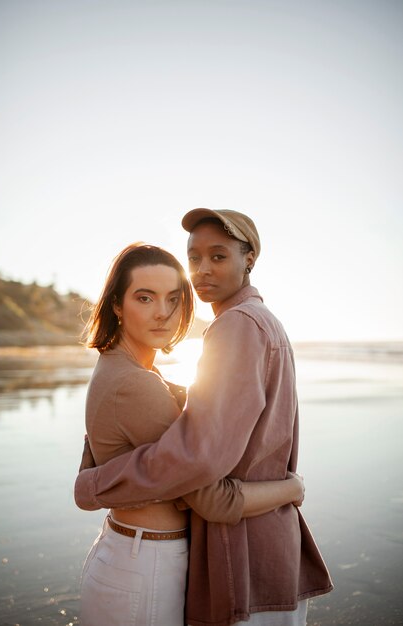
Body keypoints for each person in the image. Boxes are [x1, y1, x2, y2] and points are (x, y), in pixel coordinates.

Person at [75, 212, 333, 626]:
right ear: (117, 306)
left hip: (200, 553)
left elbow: (193, 459)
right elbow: (207, 484)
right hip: (156, 559)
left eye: (173, 297)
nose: (163, 312)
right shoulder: (259, 324)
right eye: (194, 258)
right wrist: (292, 487)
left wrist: (94, 481)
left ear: (249, 259)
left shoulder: (234, 327)